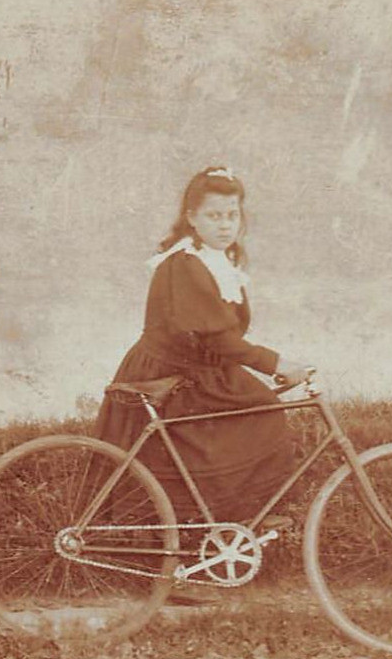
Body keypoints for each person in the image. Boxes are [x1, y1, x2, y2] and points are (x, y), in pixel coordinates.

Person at [94, 166, 308, 526]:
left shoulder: (214, 258)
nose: (225, 225)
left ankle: (231, 519)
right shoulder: (186, 264)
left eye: (232, 215)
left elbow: (220, 334)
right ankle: (205, 522)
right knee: (244, 420)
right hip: (171, 371)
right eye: (213, 216)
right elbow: (217, 336)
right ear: (192, 217)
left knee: (257, 411)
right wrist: (277, 363)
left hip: (202, 367)